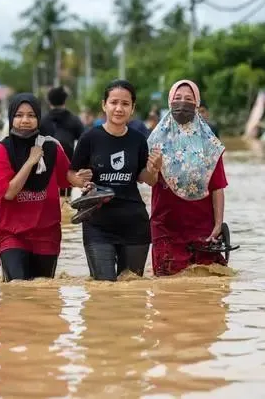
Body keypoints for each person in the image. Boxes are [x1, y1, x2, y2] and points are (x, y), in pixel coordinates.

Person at [0, 93, 89, 281]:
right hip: (12, 235)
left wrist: (82, 180)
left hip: (47, 236)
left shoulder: (51, 147)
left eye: (31, 115)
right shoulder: (1, 150)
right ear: (11, 118)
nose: (25, 120)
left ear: (39, 119)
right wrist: (30, 162)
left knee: (44, 294)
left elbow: (67, 177)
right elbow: (8, 193)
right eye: (19, 115)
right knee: (16, 289)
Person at [68, 79, 162, 282]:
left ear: (132, 108)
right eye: (114, 102)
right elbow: (70, 174)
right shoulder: (89, 138)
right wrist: (80, 181)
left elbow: (147, 179)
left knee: (132, 291)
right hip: (98, 224)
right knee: (103, 290)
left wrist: (154, 169)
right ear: (104, 105)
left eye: (125, 104)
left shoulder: (138, 140)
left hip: (134, 223)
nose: (119, 108)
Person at [147, 80, 228, 277]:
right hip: (165, 226)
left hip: (203, 227)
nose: (182, 103)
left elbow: (217, 187)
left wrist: (218, 224)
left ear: (197, 104)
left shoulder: (210, 144)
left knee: (207, 293)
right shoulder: (154, 141)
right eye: (177, 98)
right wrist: (153, 168)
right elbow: (147, 180)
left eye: (189, 99)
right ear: (169, 102)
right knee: (167, 291)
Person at [40, 86, 85, 198]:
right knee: (65, 197)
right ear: (65, 100)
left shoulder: (42, 120)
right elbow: (84, 142)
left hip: (46, 165)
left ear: (49, 101)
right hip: (68, 163)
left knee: (48, 196)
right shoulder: (74, 120)